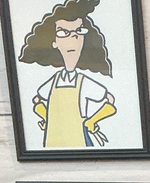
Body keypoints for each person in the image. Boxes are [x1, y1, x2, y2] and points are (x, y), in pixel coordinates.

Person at [19, 0, 116, 149]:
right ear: (54, 42)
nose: (73, 37)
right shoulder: (53, 81)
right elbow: (37, 101)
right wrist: (48, 117)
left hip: (80, 144)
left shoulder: (84, 83)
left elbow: (110, 102)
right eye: (63, 33)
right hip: (51, 144)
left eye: (79, 31)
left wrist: (91, 121)